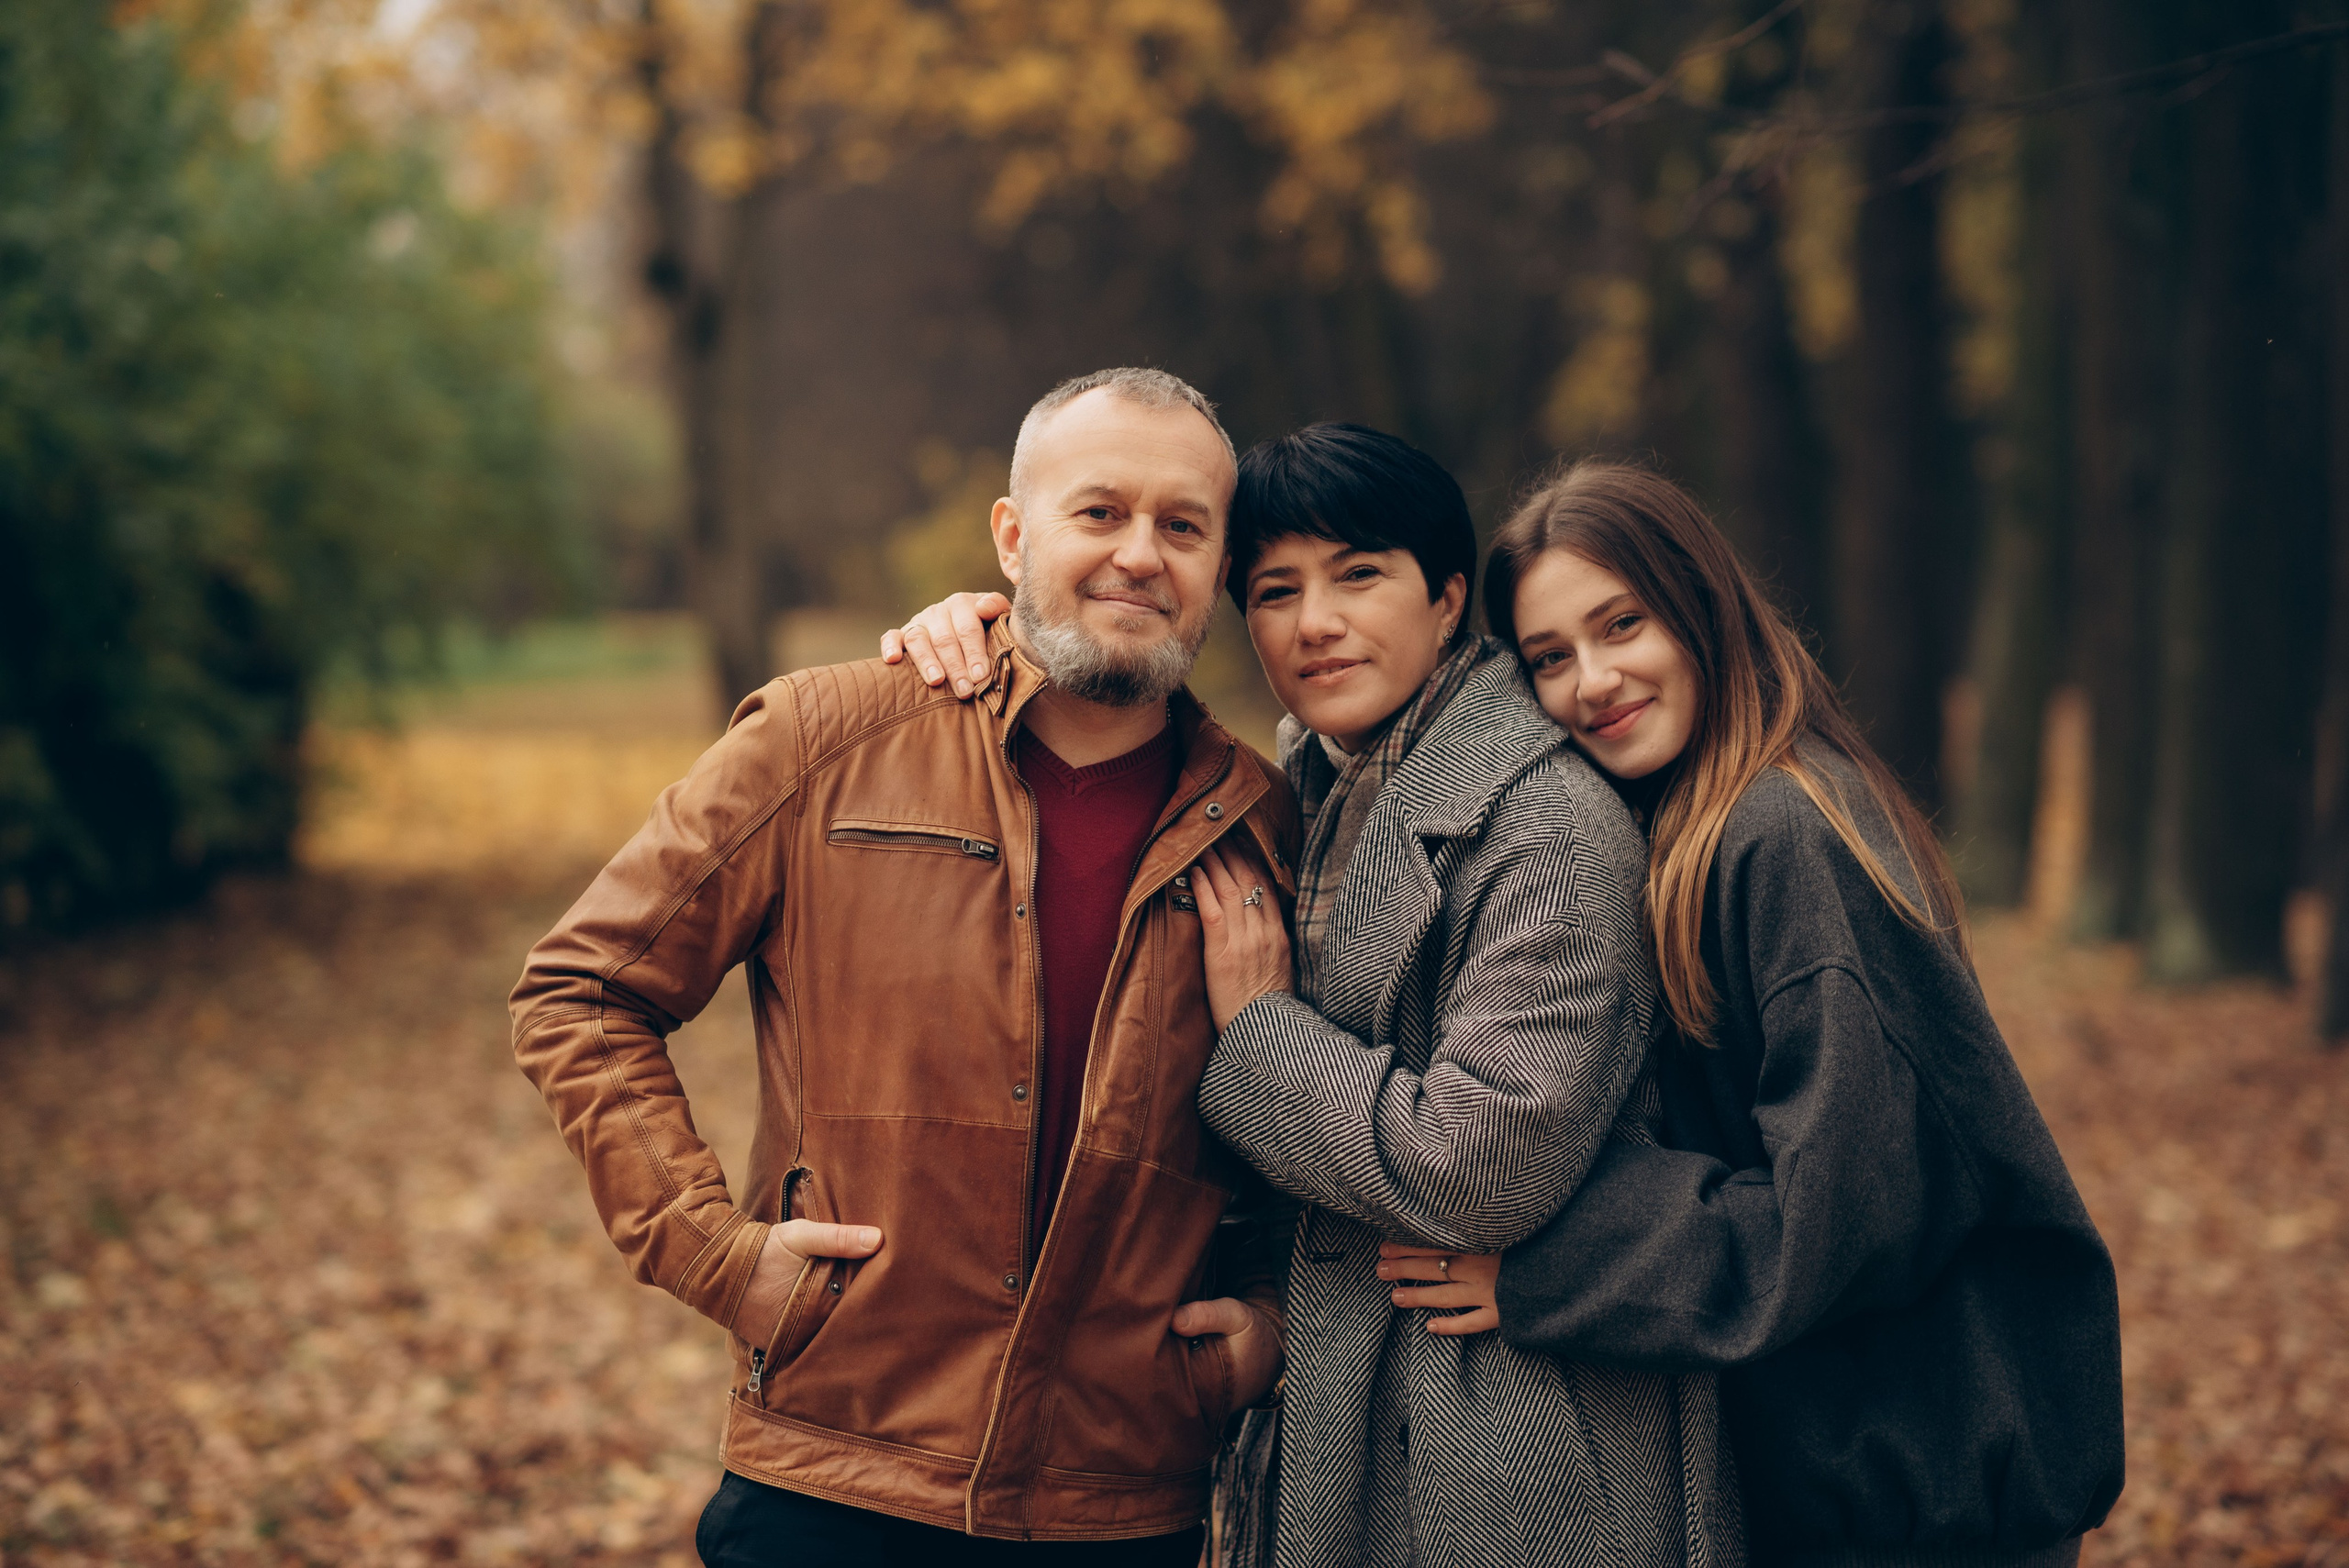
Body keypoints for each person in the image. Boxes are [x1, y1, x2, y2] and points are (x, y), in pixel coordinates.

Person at [889, 424, 1743, 1568]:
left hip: (1516, 1446)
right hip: (1349, 1410)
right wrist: (990, 629)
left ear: (1447, 601)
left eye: (1358, 574)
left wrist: (1262, 1033)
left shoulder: (1549, 828)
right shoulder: (1299, 784)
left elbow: (1479, 1165)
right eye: (1276, 590)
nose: (1315, 622)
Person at [511, 367, 1298, 1566]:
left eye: (1183, 526)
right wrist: (715, 1254)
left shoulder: (1269, 823)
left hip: (1123, 1505)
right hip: (832, 1481)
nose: (1141, 553)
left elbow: (1307, 1123)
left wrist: (1266, 1321)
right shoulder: (825, 739)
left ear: (1219, 564)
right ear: (1011, 533)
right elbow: (582, 989)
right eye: (1100, 512)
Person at [1371, 461, 2124, 1568]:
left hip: (1921, 1507)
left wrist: (1550, 1260)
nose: (1591, 679)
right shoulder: (1688, 828)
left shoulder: (1786, 832)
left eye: (1620, 623)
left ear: (1699, 604)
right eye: (1547, 658)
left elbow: (1840, 1211)